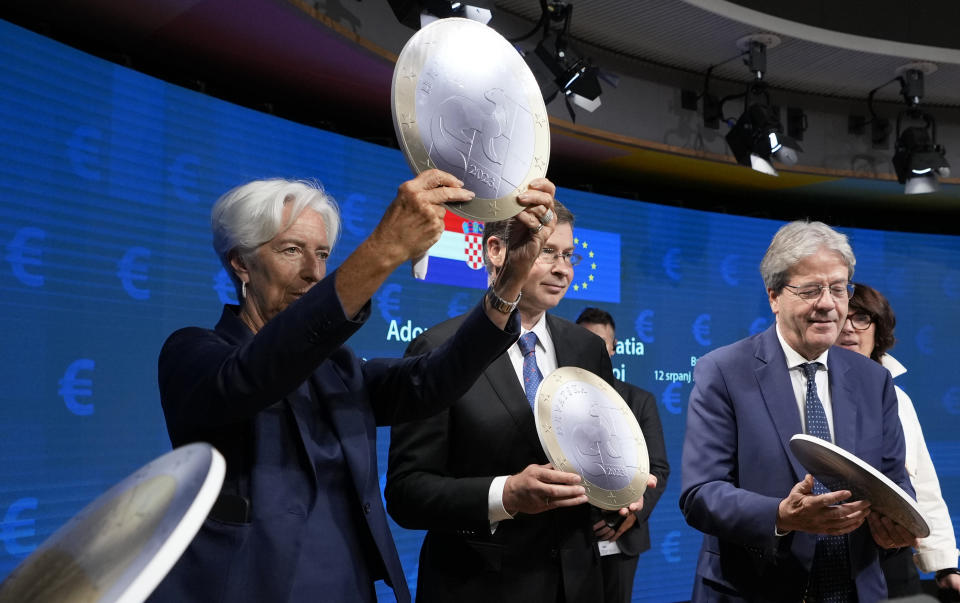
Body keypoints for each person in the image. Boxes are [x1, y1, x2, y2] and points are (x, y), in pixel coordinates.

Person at [148, 170, 560, 603]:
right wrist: (384, 248)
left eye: (323, 254)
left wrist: (511, 279)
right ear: (240, 262)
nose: (313, 272)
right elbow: (255, 374)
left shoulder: (338, 368)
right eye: (292, 250)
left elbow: (431, 381)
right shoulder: (193, 352)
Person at [385, 203, 657, 603]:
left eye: (569, 256)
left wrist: (621, 499)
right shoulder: (437, 349)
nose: (563, 269)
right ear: (495, 251)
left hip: (579, 585)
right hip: (478, 587)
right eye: (547, 252)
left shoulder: (588, 349)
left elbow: (600, 457)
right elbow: (407, 493)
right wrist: (506, 494)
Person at [679, 220, 917, 602]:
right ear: (774, 296)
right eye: (810, 290)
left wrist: (898, 525)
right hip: (755, 589)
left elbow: (894, 482)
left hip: (855, 588)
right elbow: (701, 494)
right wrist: (781, 515)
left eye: (838, 289)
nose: (828, 303)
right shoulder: (723, 371)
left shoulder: (874, 380)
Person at [836, 282, 960, 597]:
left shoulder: (898, 397)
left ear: (878, 330)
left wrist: (944, 564)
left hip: (893, 552)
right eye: (841, 318)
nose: (850, 328)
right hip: (832, 551)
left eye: (862, 318)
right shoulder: (809, 390)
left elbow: (924, 484)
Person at [575, 307, 670, 603]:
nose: (594, 349)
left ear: (614, 348)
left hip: (623, 540)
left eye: (601, 342)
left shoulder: (640, 401)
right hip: (567, 541)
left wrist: (633, 515)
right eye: (585, 341)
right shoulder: (551, 398)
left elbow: (658, 468)